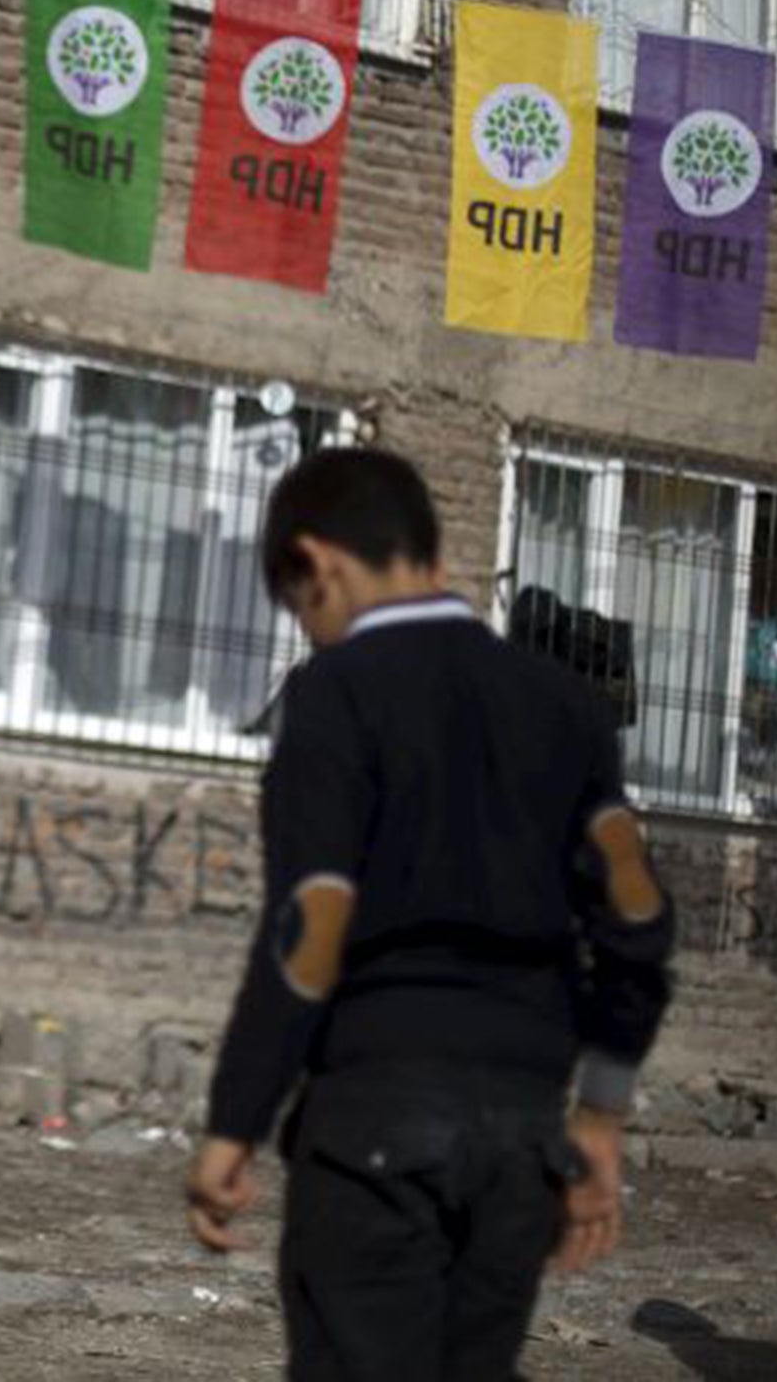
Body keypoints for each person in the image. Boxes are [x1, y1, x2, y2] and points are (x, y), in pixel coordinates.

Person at [183, 448, 675, 1381]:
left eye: (303, 610)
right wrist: (600, 1122)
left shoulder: (334, 694)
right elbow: (637, 921)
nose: (313, 633)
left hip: (376, 1125)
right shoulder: (567, 706)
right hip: (524, 1141)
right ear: (433, 556)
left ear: (319, 564)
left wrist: (233, 1125)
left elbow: (308, 933)